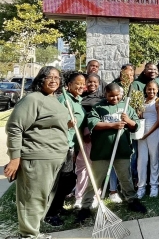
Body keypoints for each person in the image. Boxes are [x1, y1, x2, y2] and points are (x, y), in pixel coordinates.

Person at [4, 66, 69, 239]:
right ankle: (28, 235)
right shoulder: (32, 99)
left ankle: (33, 232)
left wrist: (67, 124)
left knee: (43, 198)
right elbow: (14, 128)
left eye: (57, 77)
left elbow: (47, 123)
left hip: (55, 157)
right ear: (41, 79)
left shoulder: (54, 99)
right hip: (37, 156)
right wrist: (15, 158)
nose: (54, 80)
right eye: (49, 77)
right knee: (32, 199)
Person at [76, 83, 146, 223]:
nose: (114, 98)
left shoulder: (126, 107)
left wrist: (129, 121)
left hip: (122, 149)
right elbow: (94, 124)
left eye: (117, 95)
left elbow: (135, 126)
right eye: (111, 96)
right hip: (102, 151)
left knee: (125, 177)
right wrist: (113, 125)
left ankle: (131, 199)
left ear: (121, 94)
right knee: (95, 180)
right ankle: (86, 206)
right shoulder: (99, 107)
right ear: (105, 95)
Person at [45, 72, 87, 227]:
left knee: (67, 179)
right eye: (78, 83)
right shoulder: (63, 99)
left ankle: (58, 207)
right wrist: (66, 124)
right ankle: (50, 214)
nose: (82, 86)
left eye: (83, 83)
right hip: (60, 146)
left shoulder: (77, 100)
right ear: (68, 84)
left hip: (70, 146)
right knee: (59, 181)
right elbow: (52, 122)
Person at [78, 73, 108, 208]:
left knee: (95, 166)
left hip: (96, 134)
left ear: (99, 83)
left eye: (95, 82)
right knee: (82, 167)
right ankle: (79, 196)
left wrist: (90, 131)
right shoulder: (80, 97)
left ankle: (96, 194)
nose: (92, 84)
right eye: (89, 82)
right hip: (81, 135)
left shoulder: (102, 98)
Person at [137, 80, 159, 199]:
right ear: (146, 89)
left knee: (154, 158)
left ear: (157, 90)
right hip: (141, 133)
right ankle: (141, 186)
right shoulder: (142, 101)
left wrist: (148, 133)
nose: (151, 91)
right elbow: (140, 116)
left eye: (153, 89)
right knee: (141, 161)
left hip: (153, 132)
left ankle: (154, 185)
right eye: (149, 89)